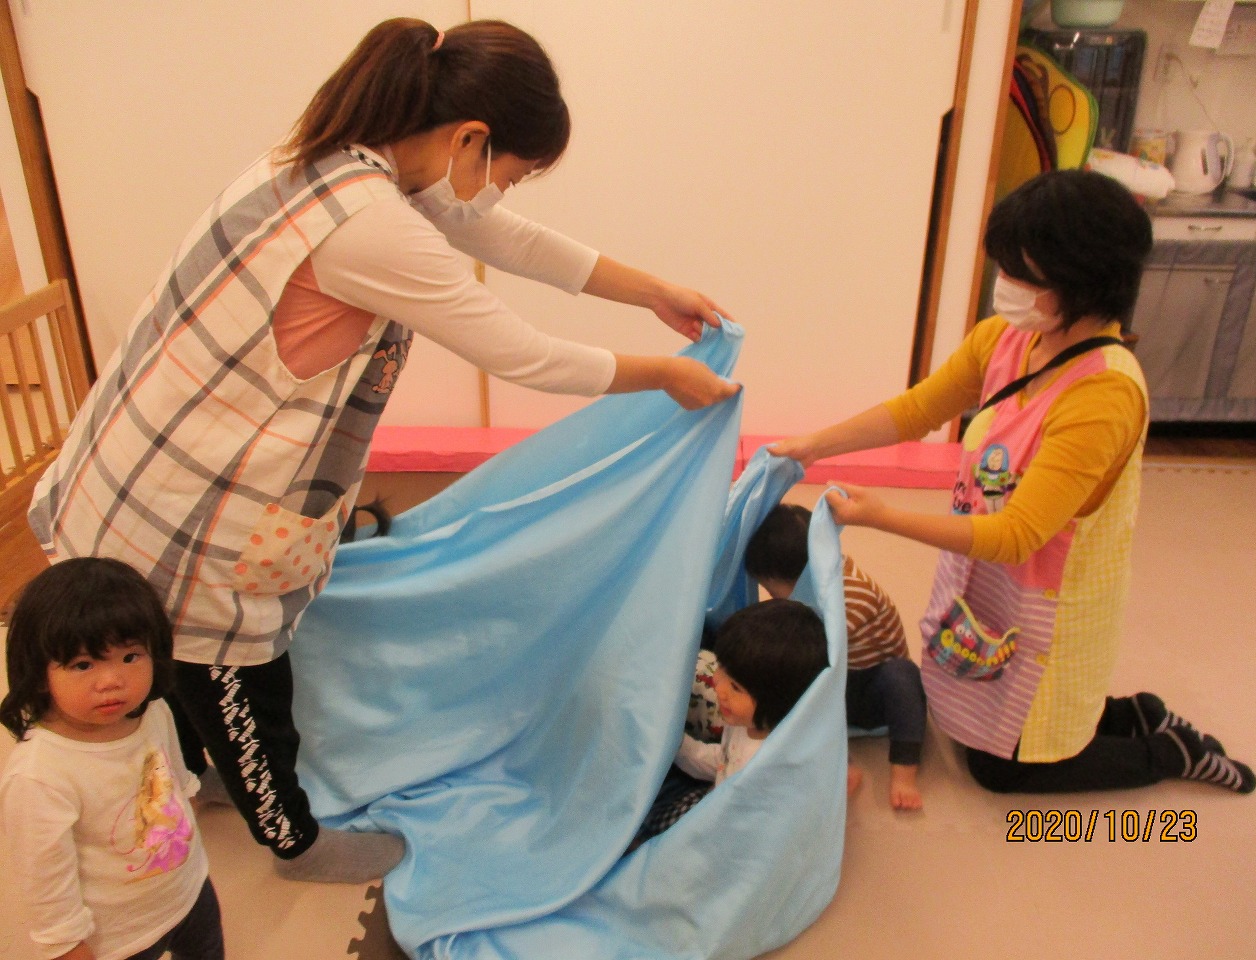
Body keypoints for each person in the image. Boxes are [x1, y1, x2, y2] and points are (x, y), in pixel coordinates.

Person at [27, 17, 740, 884]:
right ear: (470, 139)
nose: (499, 197)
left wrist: (651, 290)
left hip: (142, 451)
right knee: (238, 675)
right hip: (192, 494)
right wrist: (662, 375)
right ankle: (291, 839)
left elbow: (511, 242)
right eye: (508, 175)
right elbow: (520, 354)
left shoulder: (334, 163)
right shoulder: (367, 226)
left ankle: (200, 771)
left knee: (170, 648)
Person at [771, 170, 1256, 795]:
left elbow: (1019, 535)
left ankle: (1167, 753)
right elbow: (918, 409)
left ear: (1080, 282)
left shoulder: (1103, 394)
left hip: (1047, 588)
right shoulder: (1008, 339)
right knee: (982, 699)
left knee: (1002, 766)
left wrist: (880, 516)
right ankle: (1137, 713)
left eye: (1023, 273)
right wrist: (814, 446)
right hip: (988, 569)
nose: (1005, 284)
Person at [0, 558, 224, 960]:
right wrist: (68, 946)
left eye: (131, 657)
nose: (111, 681)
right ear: (38, 672)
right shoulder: (39, 776)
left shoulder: (154, 712)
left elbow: (176, 784)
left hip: (190, 892)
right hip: (119, 936)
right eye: (83, 665)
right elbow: (45, 884)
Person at [744, 503, 925, 809]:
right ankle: (843, 766)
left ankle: (904, 773)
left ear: (794, 578)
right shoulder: (813, 580)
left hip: (872, 692)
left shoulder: (852, 595)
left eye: (770, 587)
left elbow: (817, 655)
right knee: (794, 692)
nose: (769, 593)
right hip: (840, 683)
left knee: (903, 675)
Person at [635, 599, 829, 844]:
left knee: (648, 821)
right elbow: (725, 760)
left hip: (724, 827)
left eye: (735, 687)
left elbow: (741, 831)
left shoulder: (766, 766)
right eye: (721, 668)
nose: (719, 687)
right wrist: (678, 745)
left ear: (779, 702)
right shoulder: (746, 721)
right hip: (719, 794)